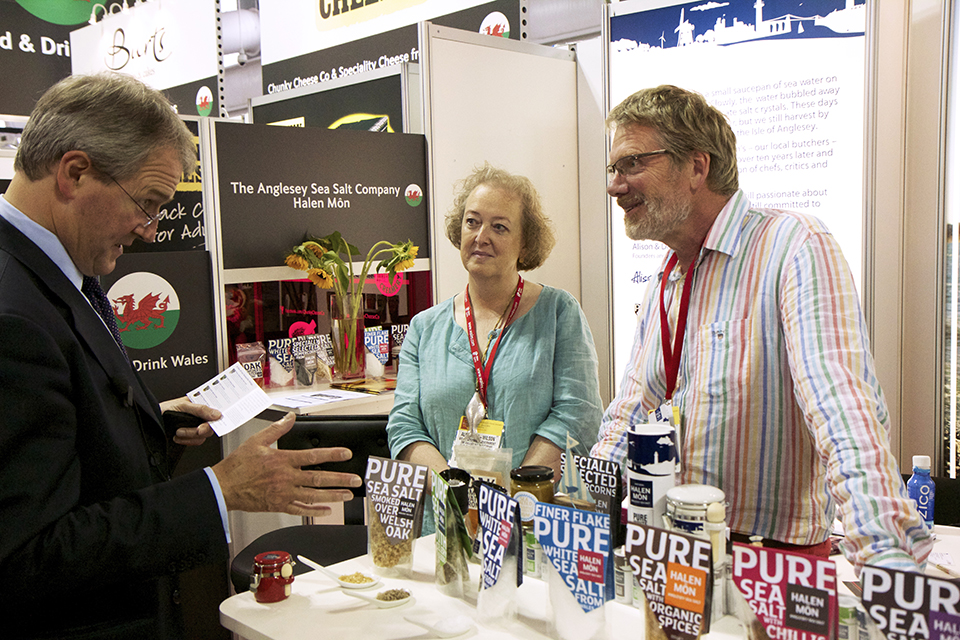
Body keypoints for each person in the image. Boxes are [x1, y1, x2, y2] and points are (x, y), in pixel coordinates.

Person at [0, 73, 362, 639]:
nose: (147, 230)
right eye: (145, 204)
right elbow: (27, 552)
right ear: (74, 173)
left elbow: (62, 444)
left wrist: (150, 427)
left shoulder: (55, 274)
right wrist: (220, 489)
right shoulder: (13, 314)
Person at [591, 85, 932, 572]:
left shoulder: (794, 246)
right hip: (675, 557)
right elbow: (631, 410)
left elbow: (843, 412)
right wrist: (586, 504)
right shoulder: (665, 279)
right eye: (613, 169)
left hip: (771, 565)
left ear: (696, 166)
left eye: (632, 164)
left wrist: (886, 560)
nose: (614, 185)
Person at [387, 163, 603, 531]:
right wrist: (458, 493)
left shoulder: (558, 313)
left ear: (525, 243)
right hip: (446, 526)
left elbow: (577, 415)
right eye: (472, 222)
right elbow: (405, 426)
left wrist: (520, 493)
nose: (481, 236)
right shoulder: (424, 328)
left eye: (499, 226)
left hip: (532, 519)